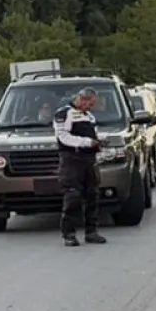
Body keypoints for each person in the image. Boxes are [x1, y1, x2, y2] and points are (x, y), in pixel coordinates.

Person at [53, 87, 106, 246]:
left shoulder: (89, 116)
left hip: (89, 159)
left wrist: (99, 142)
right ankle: (69, 233)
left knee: (92, 195)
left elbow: (93, 136)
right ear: (82, 99)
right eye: (90, 104)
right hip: (72, 160)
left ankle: (92, 231)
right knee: (73, 195)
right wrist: (87, 142)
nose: (91, 107)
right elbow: (63, 137)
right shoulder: (64, 114)